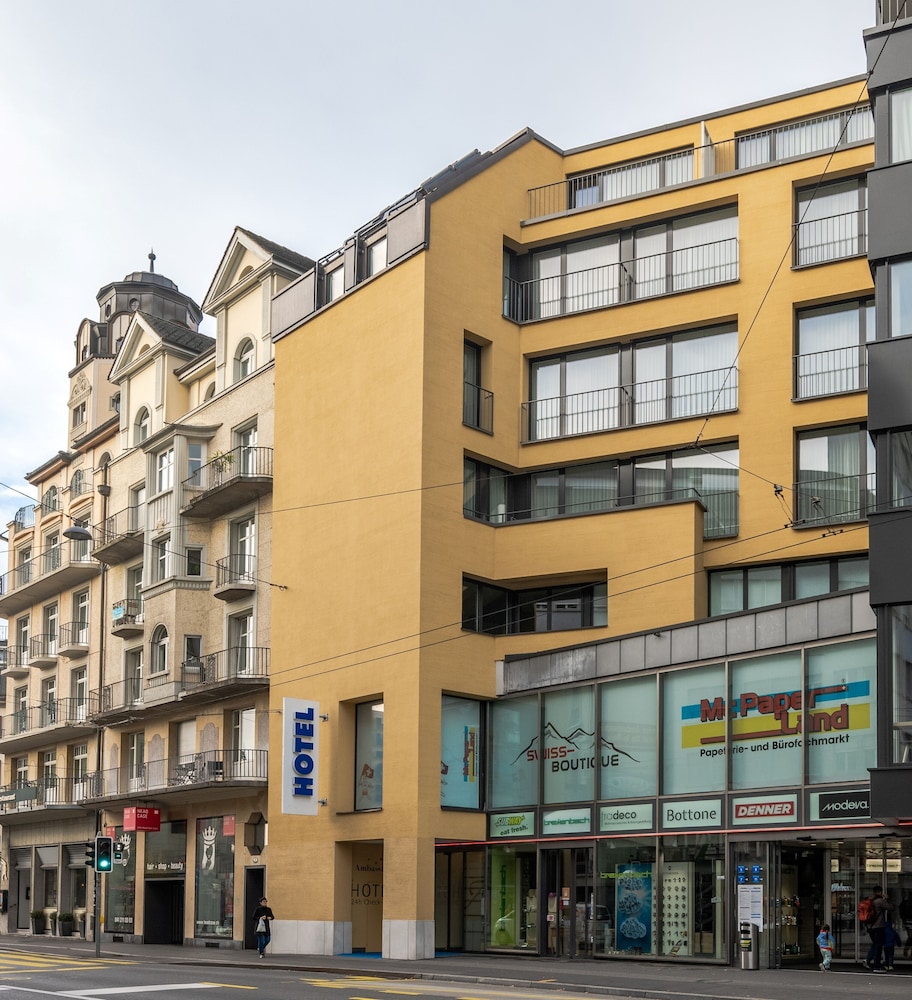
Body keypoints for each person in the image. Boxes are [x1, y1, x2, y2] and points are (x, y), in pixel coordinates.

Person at [863, 885, 892, 971]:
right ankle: (876, 966)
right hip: (878, 926)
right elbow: (890, 908)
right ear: (880, 892)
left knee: (876, 944)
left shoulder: (870, 900)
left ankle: (868, 959)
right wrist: (886, 899)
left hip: (870, 927)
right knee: (878, 946)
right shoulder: (880, 901)